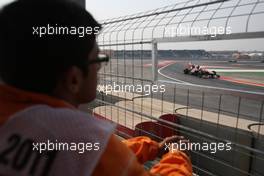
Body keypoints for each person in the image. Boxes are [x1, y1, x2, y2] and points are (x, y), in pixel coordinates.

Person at [0, 0, 192, 175]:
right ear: (73, 79)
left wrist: (153, 147)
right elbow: (97, 154)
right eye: (98, 59)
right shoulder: (81, 135)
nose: (100, 67)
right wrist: (178, 156)